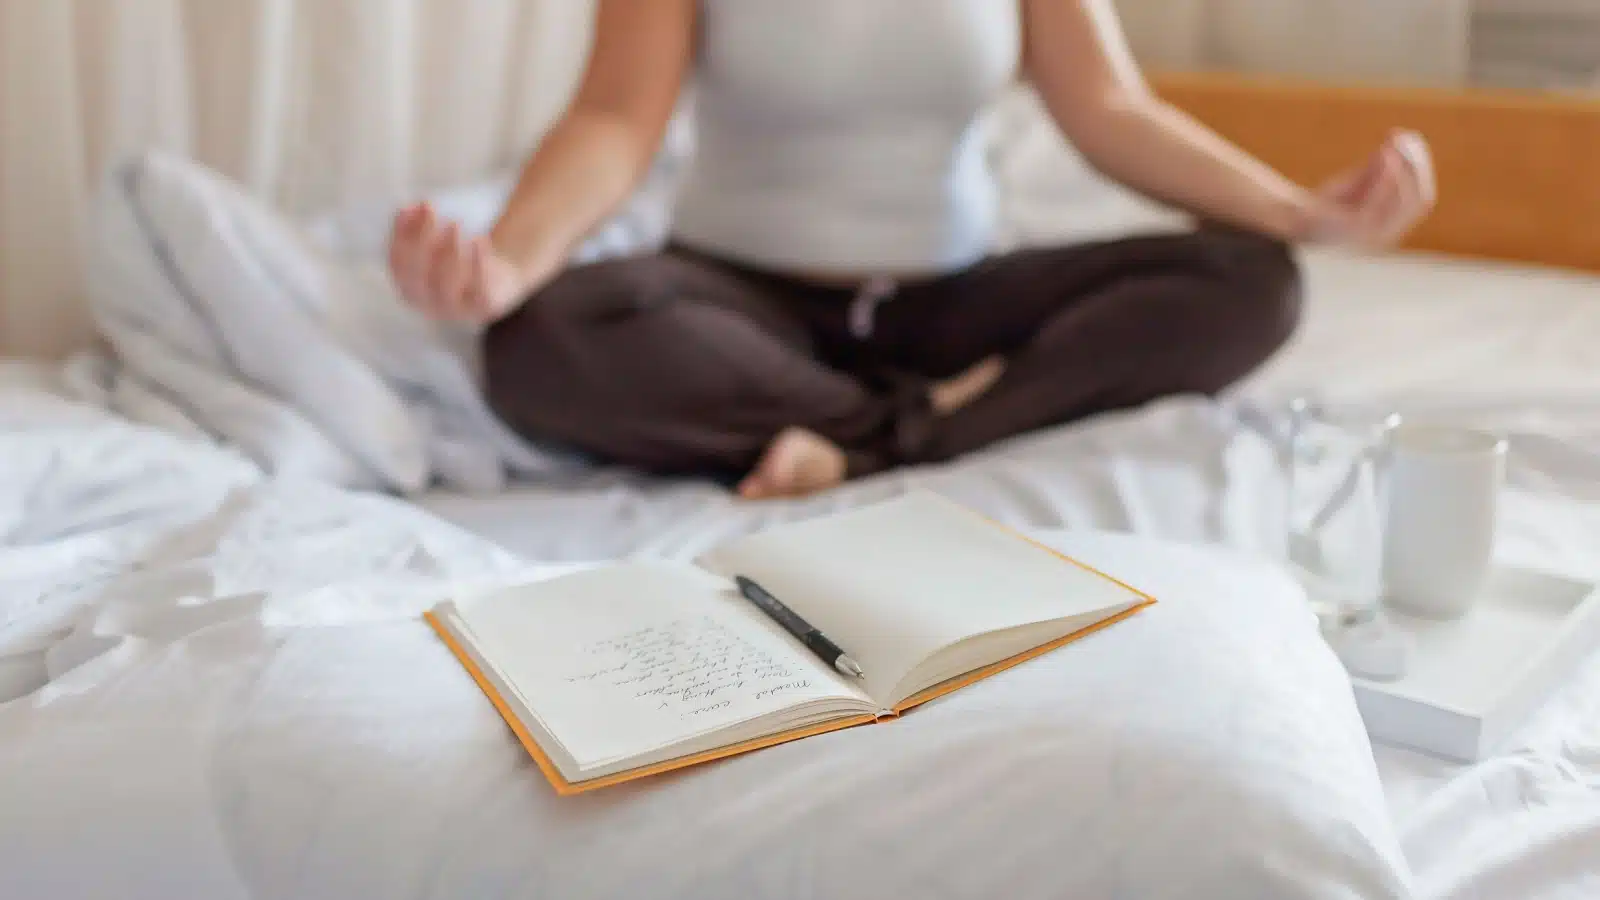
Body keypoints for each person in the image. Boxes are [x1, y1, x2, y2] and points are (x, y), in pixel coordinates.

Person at [388, 0, 1435, 500]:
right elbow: (616, 118)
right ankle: (929, 428)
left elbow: (1109, 107)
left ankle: (869, 443)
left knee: (1248, 279)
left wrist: (1296, 213)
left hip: (950, 303)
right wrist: (511, 261)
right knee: (543, 335)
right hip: (741, 301)